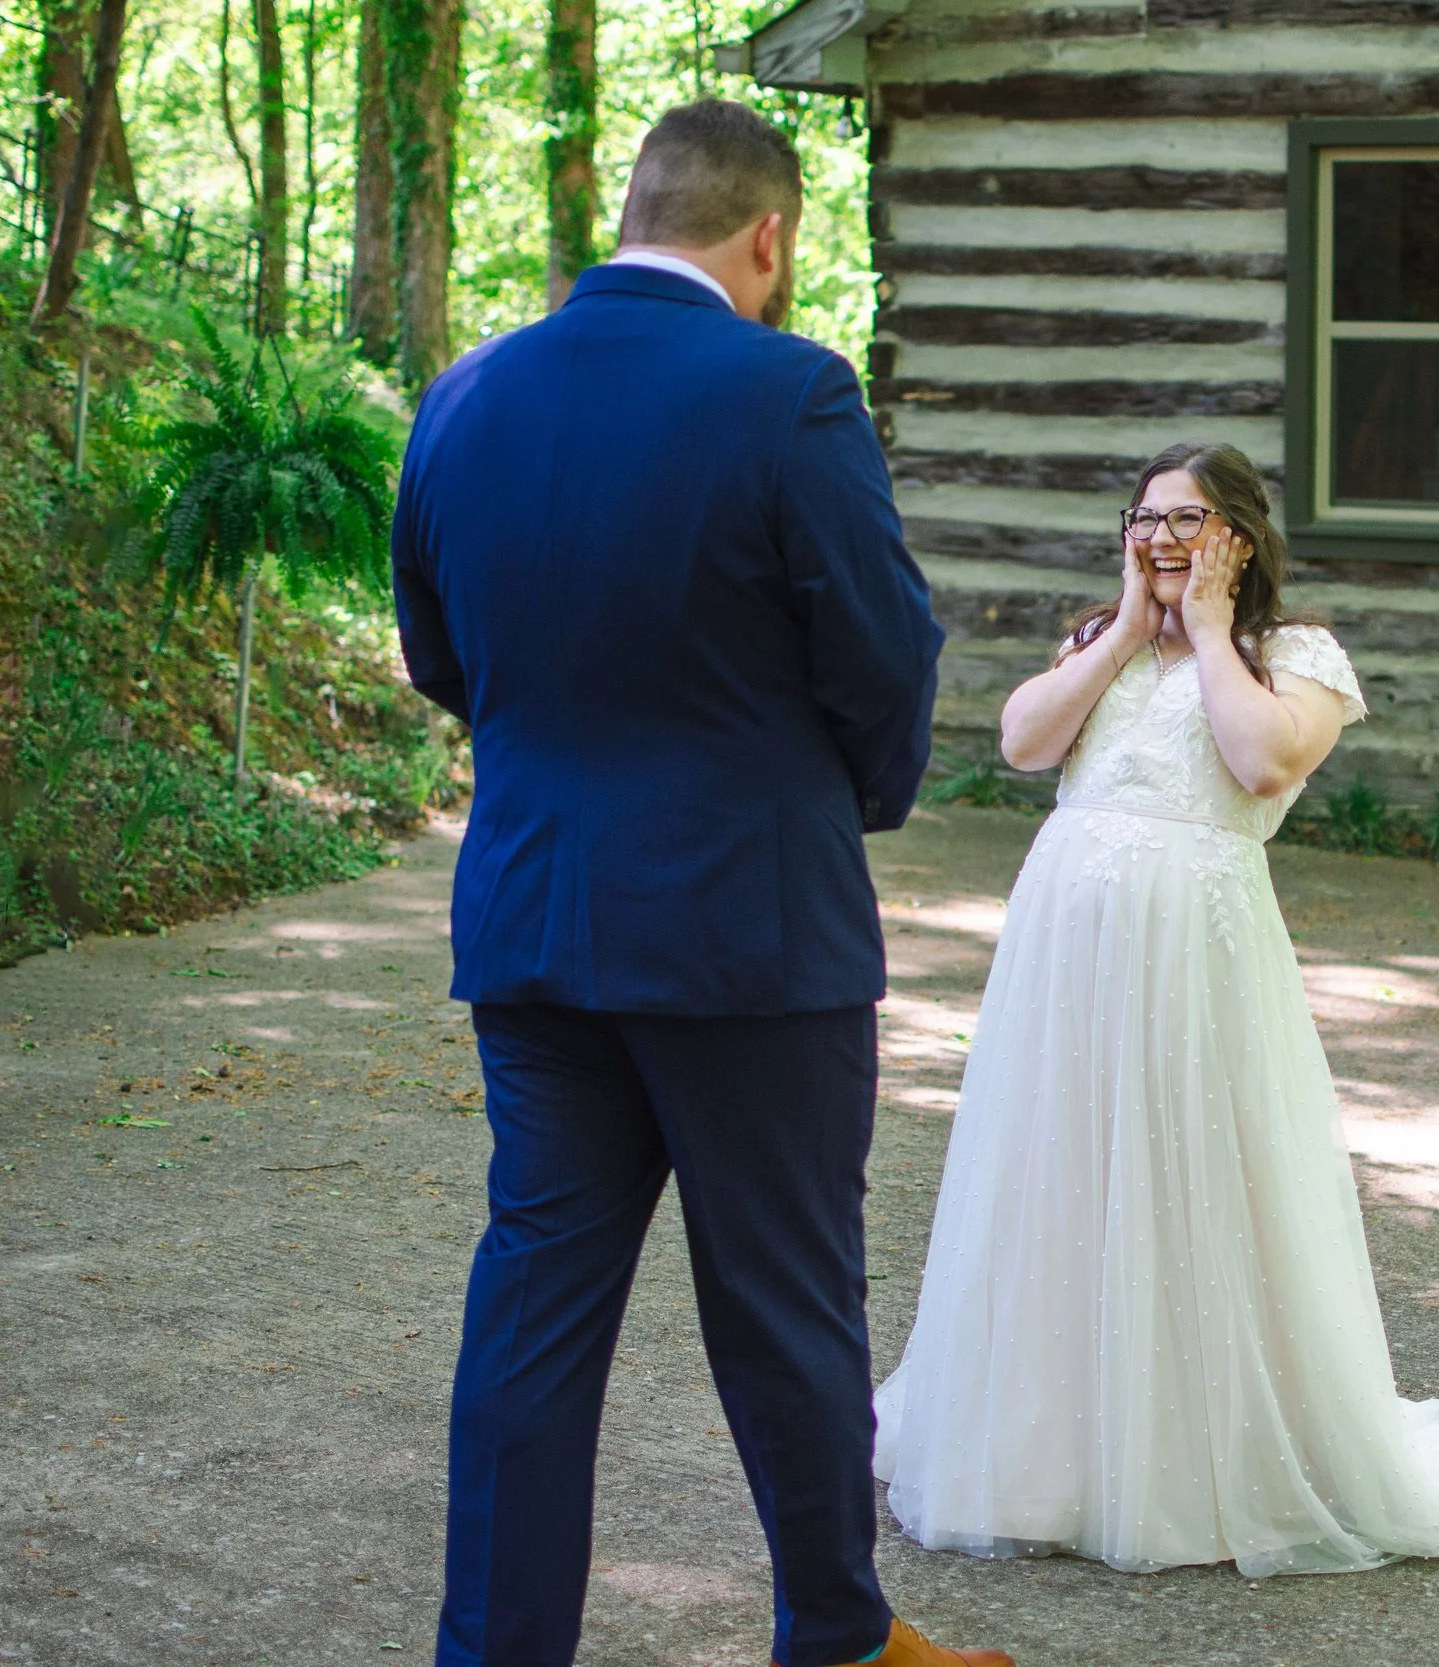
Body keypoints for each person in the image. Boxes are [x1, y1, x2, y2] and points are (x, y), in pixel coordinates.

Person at [392, 100, 1009, 1667]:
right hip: (751, 936)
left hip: (535, 922)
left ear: (631, 217)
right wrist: (855, 794)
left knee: (531, 1315)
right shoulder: (789, 392)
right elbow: (882, 653)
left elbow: (439, 658)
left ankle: (494, 1652)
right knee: (788, 1304)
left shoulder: (462, 399)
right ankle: (840, 1639)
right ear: (771, 236)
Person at [873, 442, 1439, 1576]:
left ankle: (1193, 1455)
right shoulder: (1102, 643)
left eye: (1188, 522)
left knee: (1193, 1175)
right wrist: (1127, 627)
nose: (1162, 542)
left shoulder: (1294, 654)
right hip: (1062, 957)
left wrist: (1211, 633)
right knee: (1062, 1167)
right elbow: (1022, 743)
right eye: (1146, 520)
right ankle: (1051, 1452)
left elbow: (1263, 764)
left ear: (1240, 537)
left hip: (1195, 955)